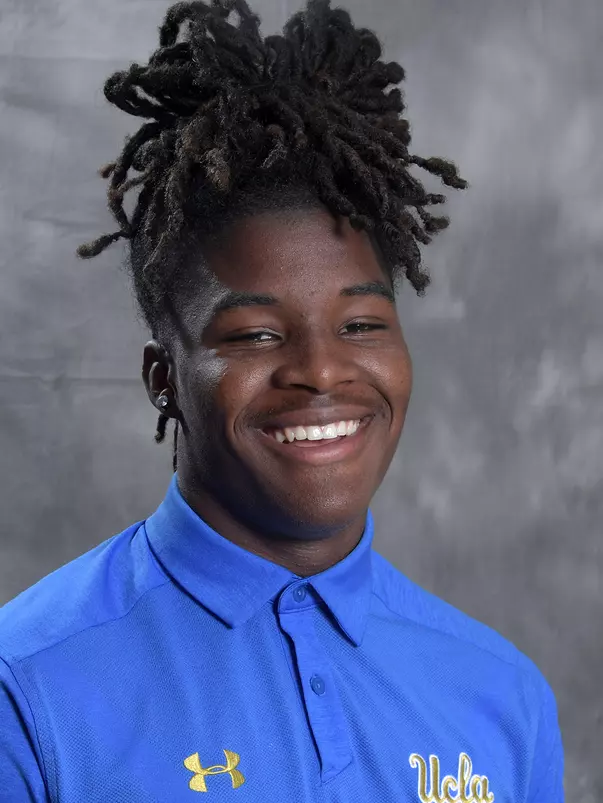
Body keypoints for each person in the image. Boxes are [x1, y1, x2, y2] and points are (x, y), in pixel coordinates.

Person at [0, 0, 564, 800]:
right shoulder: (26, 689)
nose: (321, 370)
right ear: (164, 377)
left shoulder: (500, 693)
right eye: (255, 334)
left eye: (361, 323)